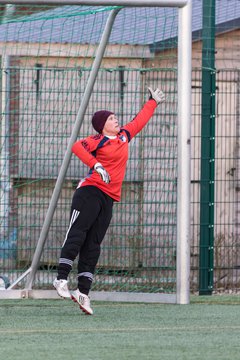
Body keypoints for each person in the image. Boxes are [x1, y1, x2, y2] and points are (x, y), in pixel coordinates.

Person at [53, 87, 165, 314]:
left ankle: (82, 293)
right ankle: (61, 279)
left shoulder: (124, 136)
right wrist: (97, 165)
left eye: (115, 118)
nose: (116, 120)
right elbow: (77, 146)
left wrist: (152, 102)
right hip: (90, 191)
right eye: (111, 118)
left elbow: (139, 121)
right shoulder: (97, 140)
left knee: (93, 245)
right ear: (102, 124)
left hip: (108, 198)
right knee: (77, 234)